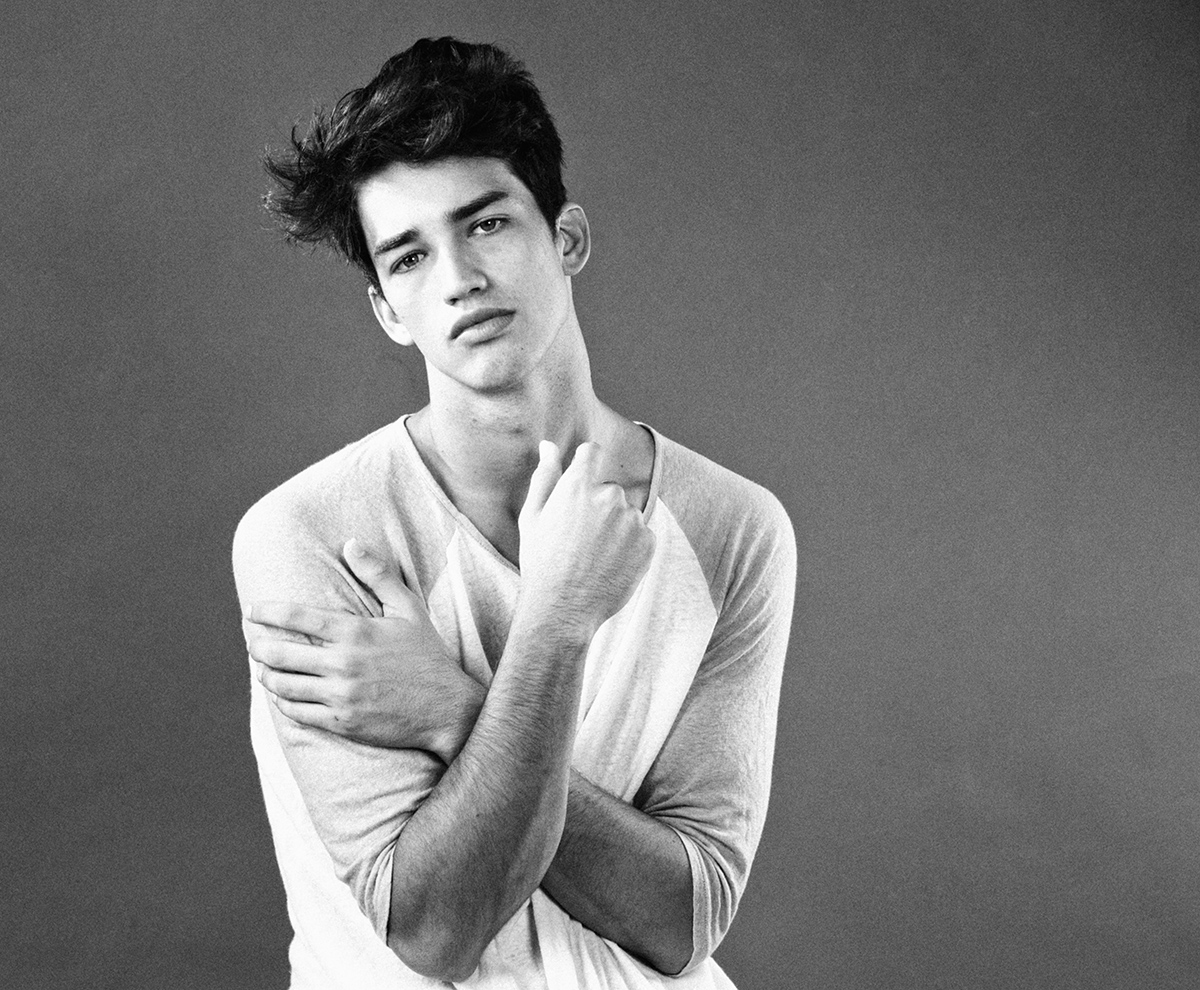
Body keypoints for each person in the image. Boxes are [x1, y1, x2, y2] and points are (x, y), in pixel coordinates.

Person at [233, 36, 796, 990]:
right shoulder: (312, 536)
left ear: (566, 239)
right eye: (410, 257)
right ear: (387, 310)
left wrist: (454, 710)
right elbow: (433, 932)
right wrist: (557, 623)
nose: (458, 277)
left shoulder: (733, 528)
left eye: (487, 224)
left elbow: (687, 918)